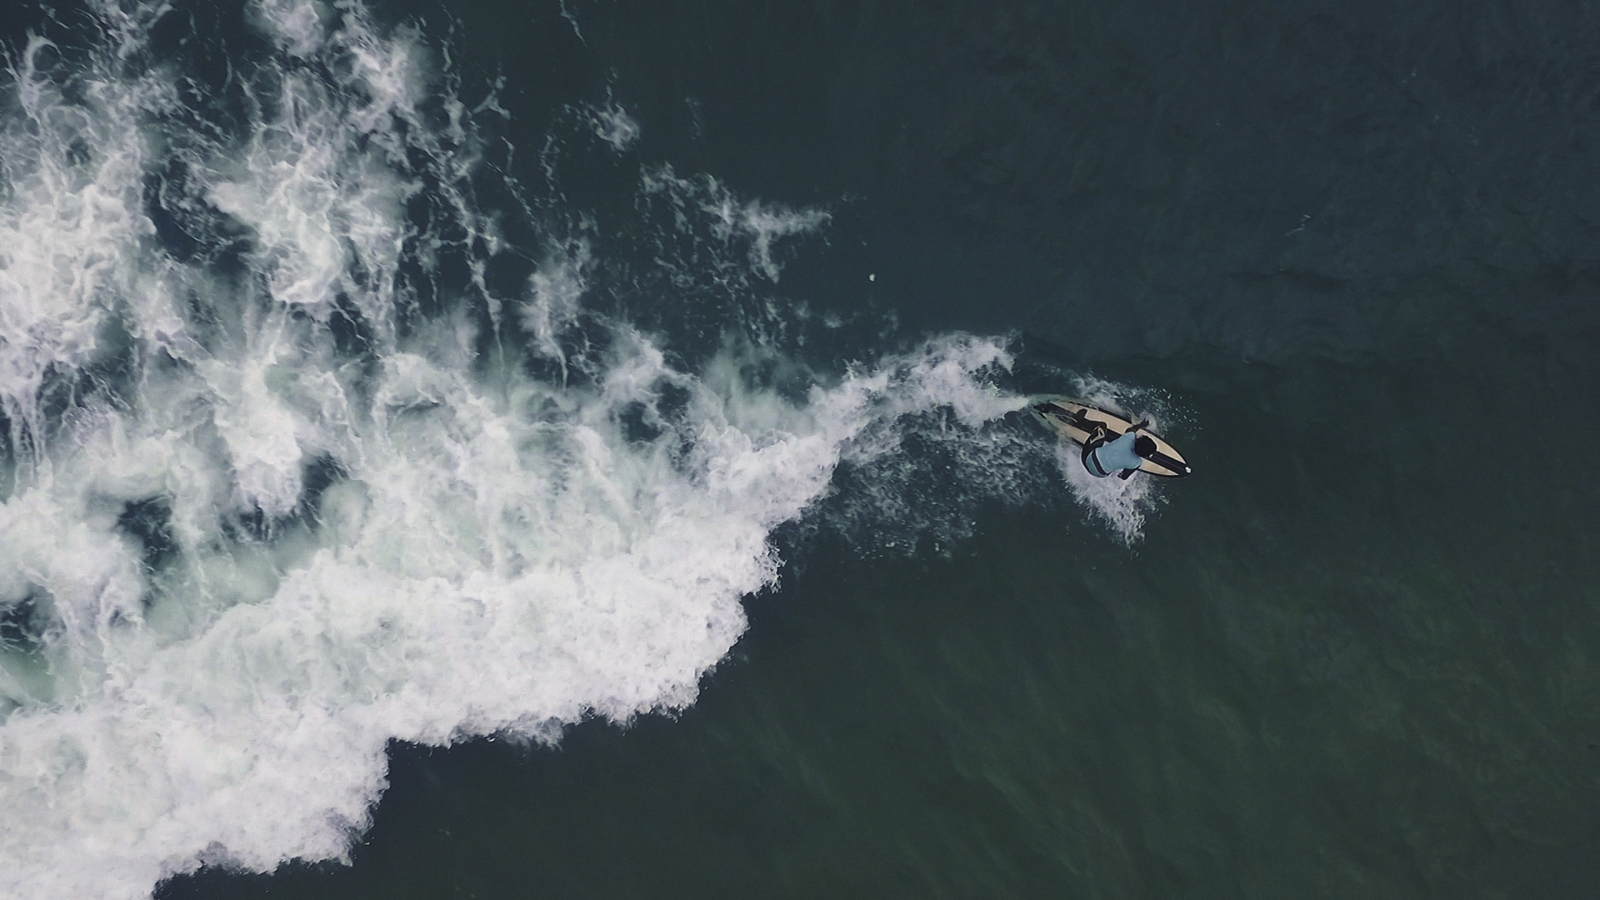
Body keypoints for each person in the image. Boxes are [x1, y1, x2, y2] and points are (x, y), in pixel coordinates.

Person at [1081, 420, 1157, 480]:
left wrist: (1141, 425)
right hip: (1100, 474)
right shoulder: (1137, 463)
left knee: (1102, 426)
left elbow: (1131, 429)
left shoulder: (1130, 436)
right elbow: (1124, 476)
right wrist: (1121, 474)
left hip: (1088, 457)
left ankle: (1080, 421)